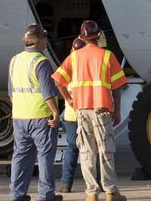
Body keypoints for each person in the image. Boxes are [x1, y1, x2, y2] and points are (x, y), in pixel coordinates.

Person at [53, 21, 127, 201]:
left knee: (86, 152)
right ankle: (110, 192)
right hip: (102, 109)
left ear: (82, 37)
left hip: (82, 110)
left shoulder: (75, 57)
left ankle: (91, 193)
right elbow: (116, 88)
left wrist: (69, 99)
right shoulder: (108, 56)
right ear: (98, 36)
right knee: (105, 150)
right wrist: (116, 111)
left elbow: (57, 80)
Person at [9, 24, 62, 201]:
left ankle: (17, 194)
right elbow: (48, 92)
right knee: (45, 156)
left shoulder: (14, 60)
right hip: (41, 117)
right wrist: (55, 113)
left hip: (20, 117)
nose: (46, 41)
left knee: (20, 156)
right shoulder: (41, 62)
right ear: (38, 41)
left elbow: (11, 92)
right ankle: (46, 195)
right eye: (44, 38)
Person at [57, 38, 93, 194]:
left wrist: (68, 99)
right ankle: (93, 184)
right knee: (91, 150)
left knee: (72, 149)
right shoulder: (86, 65)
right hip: (85, 113)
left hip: (71, 115)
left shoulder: (68, 64)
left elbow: (58, 81)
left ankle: (66, 185)